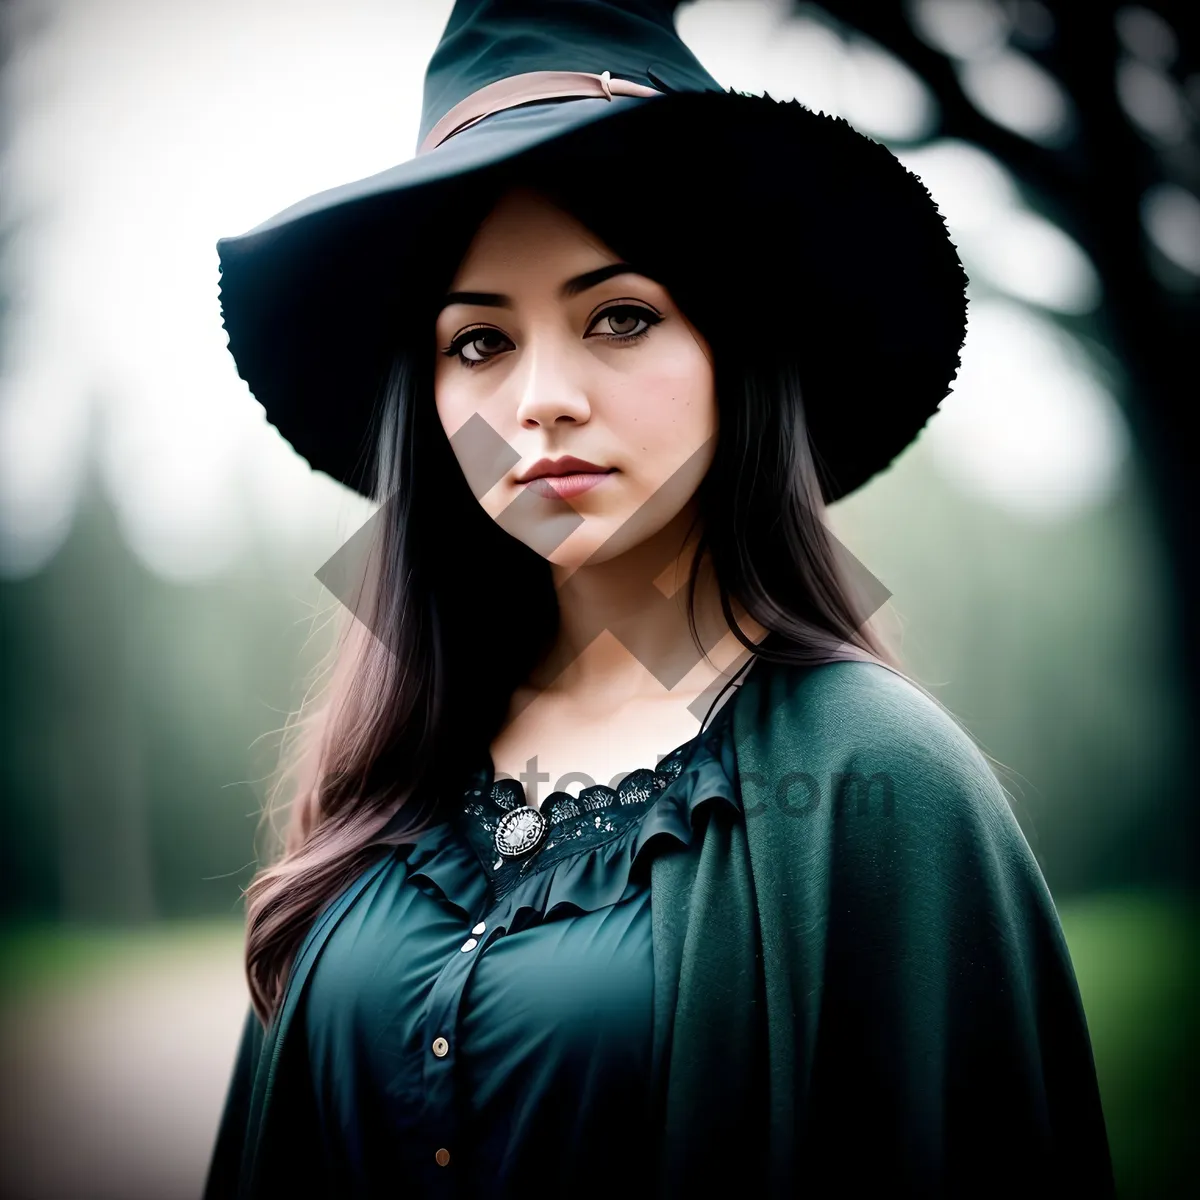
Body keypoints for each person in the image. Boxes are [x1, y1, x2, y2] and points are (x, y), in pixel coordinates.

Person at [203, 2, 1116, 1197]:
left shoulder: (879, 784)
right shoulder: (382, 765)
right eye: (478, 344)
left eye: (619, 316)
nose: (540, 401)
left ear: (735, 356)